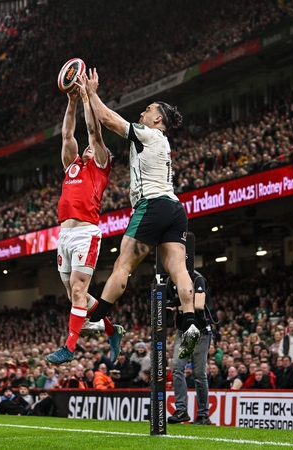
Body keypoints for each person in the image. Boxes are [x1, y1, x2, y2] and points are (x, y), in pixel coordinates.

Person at [78, 69, 200, 359]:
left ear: (158, 119)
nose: (143, 113)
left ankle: (97, 320)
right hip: (175, 209)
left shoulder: (148, 134)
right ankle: (192, 323)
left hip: (152, 205)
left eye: (148, 110)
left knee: (124, 264)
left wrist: (92, 92)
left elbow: (109, 120)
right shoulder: (162, 142)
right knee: (179, 269)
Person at [46, 73, 119, 365]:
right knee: (74, 294)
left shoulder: (100, 166)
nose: (87, 148)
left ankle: (70, 347)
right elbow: (67, 135)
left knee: (78, 290)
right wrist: (72, 100)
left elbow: (93, 132)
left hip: (86, 233)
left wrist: (88, 97)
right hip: (63, 236)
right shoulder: (71, 166)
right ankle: (112, 331)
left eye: (91, 147)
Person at [168, 270, 215, 425]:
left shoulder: (197, 278)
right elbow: (168, 305)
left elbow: (199, 305)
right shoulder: (171, 280)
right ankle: (181, 409)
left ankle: (203, 414)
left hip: (199, 330)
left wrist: (178, 305)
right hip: (184, 331)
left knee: (198, 374)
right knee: (177, 367)